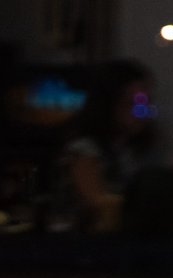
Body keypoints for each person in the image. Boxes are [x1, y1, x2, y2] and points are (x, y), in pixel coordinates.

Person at [62, 58, 159, 234]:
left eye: (145, 103)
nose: (141, 112)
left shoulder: (131, 150)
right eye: (132, 104)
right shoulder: (85, 151)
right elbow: (98, 204)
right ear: (109, 103)